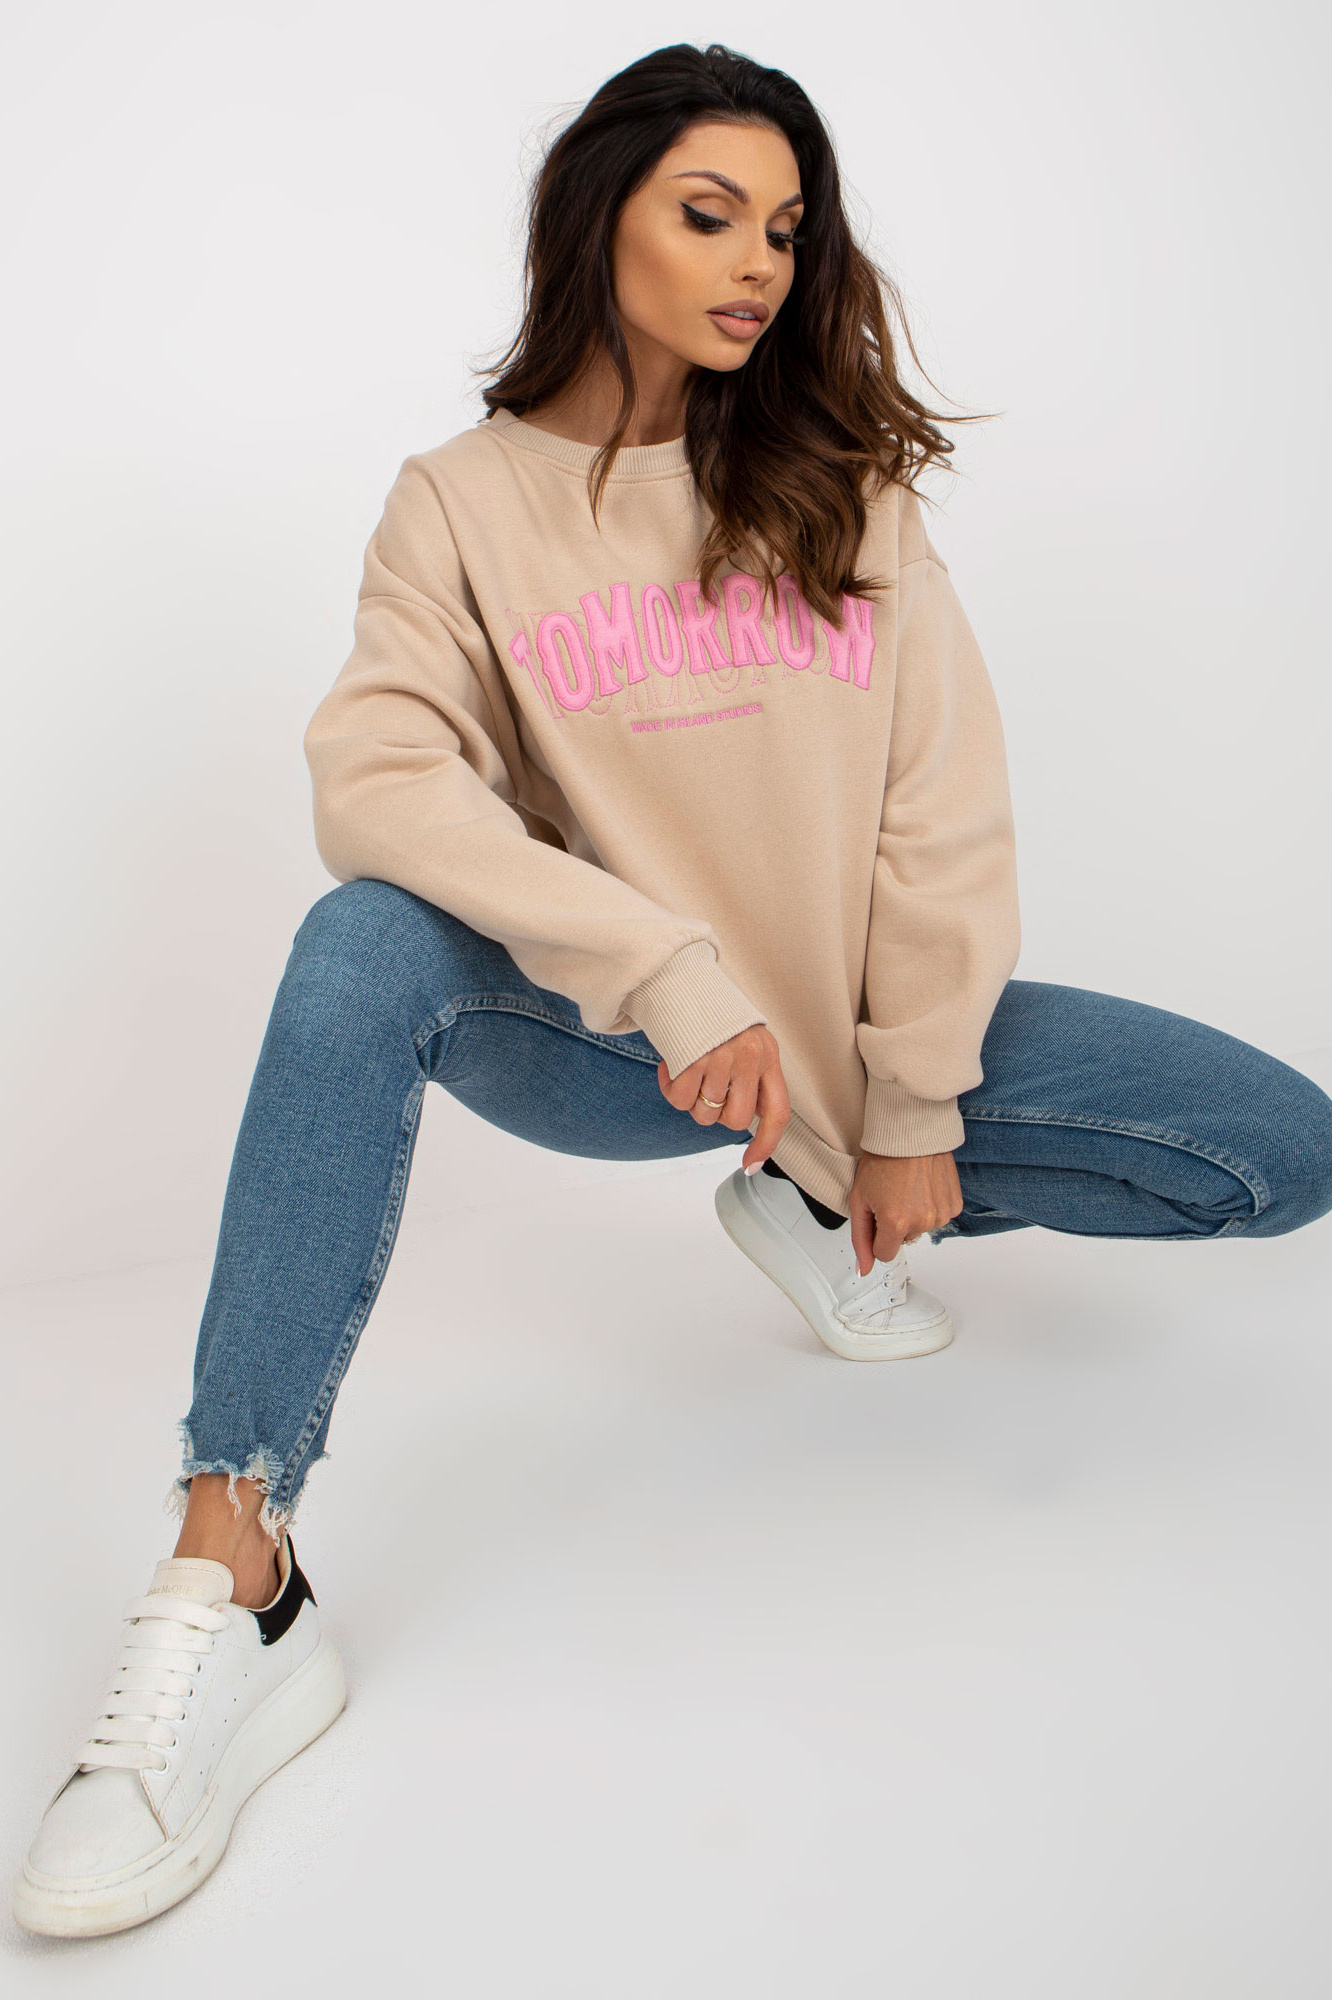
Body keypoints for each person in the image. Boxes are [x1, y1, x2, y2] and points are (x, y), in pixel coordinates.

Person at [14, 40, 1332, 1941]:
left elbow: (942, 814)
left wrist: (911, 1105)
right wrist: (665, 967)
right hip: (633, 1049)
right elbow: (376, 780)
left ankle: (821, 1201)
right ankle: (237, 1572)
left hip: (849, 1046)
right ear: (599, 217)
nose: (756, 266)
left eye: (785, 232)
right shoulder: (461, 503)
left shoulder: (839, 486)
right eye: (710, 215)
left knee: (1283, 1151)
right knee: (361, 940)